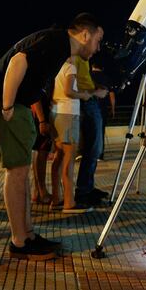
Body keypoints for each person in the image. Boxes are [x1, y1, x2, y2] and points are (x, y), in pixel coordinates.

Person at [0, 13, 104, 261]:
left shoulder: (58, 45)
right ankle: (19, 241)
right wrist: (7, 106)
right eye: (98, 40)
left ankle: (28, 234)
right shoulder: (56, 41)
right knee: (16, 172)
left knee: (21, 172)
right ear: (85, 34)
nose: (98, 48)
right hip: (3, 105)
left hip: (17, 105)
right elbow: (18, 62)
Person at [49, 58, 93, 214]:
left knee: (59, 156)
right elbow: (69, 91)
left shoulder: (56, 66)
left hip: (56, 113)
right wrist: (84, 95)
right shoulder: (70, 67)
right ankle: (69, 202)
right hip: (68, 113)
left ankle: (56, 199)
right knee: (69, 157)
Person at [73, 55, 108, 206]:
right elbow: (74, 85)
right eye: (97, 40)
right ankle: (83, 192)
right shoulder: (75, 58)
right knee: (93, 149)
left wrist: (95, 87)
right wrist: (94, 92)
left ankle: (87, 187)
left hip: (89, 102)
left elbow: (84, 80)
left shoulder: (83, 59)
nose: (98, 48)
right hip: (87, 103)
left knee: (94, 149)